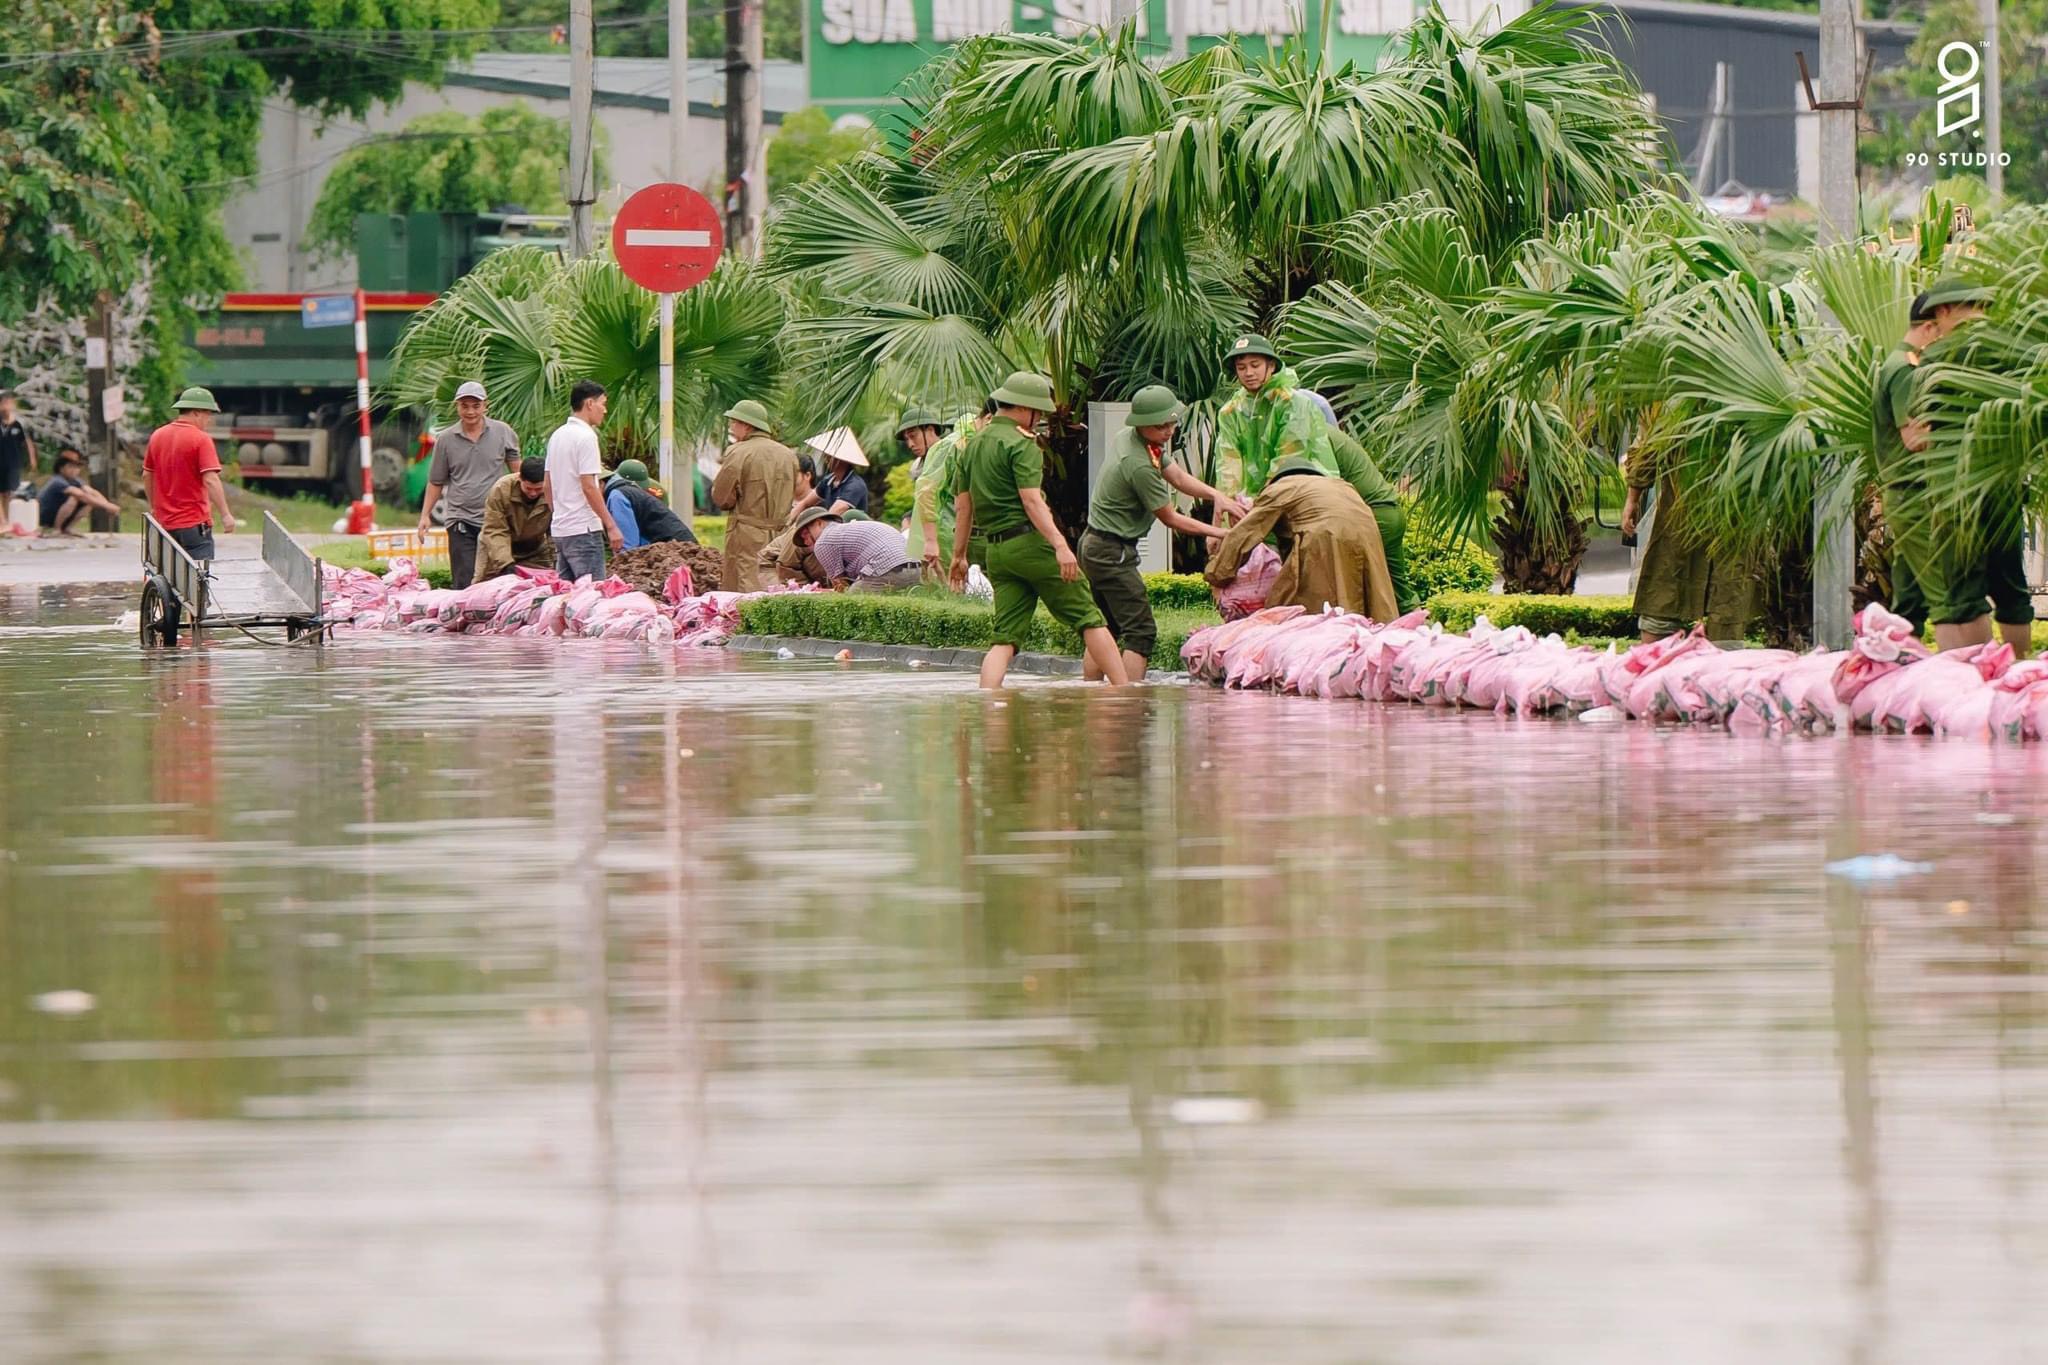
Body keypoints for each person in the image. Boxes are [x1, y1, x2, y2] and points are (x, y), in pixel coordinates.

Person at [1875, 278, 2029, 655]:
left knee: (1922, 600)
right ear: (1939, 316)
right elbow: (1917, 438)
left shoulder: (1940, 365)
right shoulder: (1910, 368)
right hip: (1923, 497)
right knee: (1954, 597)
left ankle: (1928, 684)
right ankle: (1969, 684)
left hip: (1945, 494)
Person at [947, 371, 1130, 689]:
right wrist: (1060, 545)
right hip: (1030, 544)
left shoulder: (973, 446)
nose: (1040, 419)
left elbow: (963, 507)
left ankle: (988, 705)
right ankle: (1125, 692)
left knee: (1004, 639)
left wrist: (959, 556)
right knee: (1090, 617)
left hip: (998, 553)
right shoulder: (1021, 444)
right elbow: (1031, 500)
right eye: (1038, 412)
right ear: (1023, 408)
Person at [1080, 386, 1225, 681]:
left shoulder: (1135, 440)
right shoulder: (1139, 465)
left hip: (1094, 544)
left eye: (1172, 423)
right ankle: (1130, 706)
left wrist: (1217, 496)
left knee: (1104, 627)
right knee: (1141, 633)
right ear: (1141, 423)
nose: (1168, 430)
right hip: (1111, 551)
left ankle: (1092, 701)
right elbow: (1170, 518)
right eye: (1161, 425)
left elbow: (1178, 476)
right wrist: (1222, 533)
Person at [1206, 457, 1398, 619]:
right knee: (1371, 609)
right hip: (1368, 533)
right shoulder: (1341, 485)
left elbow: (1245, 534)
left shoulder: (1281, 487)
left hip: (1326, 535)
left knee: (1315, 615)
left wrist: (1217, 572)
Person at [1620, 437, 1759, 643]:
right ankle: (1655, 668)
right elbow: (1648, 446)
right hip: (1681, 517)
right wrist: (1632, 497)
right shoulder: (1672, 407)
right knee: (1662, 597)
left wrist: (1633, 498)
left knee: (1727, 605)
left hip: (1732, 519)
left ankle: (1721, 669)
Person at [1213, 333, 1337, 512]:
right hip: (1253, 504)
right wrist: (1231, 505)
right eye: (1241, 368)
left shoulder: (1293, 403)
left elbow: (1291, 455)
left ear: (1271, 366)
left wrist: (1263, 502)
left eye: (1255, 365)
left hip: (1304, 496)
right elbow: (1228, 463)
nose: (1248, 373)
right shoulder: (1231, 411)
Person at [418, 380, 520, 589]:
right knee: (465, 582)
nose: (470, 411)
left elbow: (517, 473)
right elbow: (436, 481)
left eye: (476, 406)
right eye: (465, 406)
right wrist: (425, 515)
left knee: (500, 580)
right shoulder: (446, 439)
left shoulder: (503, 432)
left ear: (485, 406)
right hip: (460, 518)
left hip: (496, 520)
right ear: (457, 407)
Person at [1326, 425, 1417, 612]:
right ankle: (1424, 635)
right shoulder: (1327, 432)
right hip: (1389, 510)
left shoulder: (1314, 439)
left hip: (1371, 517)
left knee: (1359, 600)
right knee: (1400, 594)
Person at [711, 398, 798, 592]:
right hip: (780, 533)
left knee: (745, 587)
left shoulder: (738, 452)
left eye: (734, 422)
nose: (732, 427)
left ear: (746, 425)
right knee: (776, 583)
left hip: (747, 534)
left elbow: (721, 498)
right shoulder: (788, 455)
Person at [144, 387, 235, 560]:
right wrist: (225, 514)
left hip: (165, 525)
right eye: (208, 414)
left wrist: (154, 507)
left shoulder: (157, 435)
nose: (209, 420)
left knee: (170, 577)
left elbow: (147, 475)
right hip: (193, 525)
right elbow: (210, 480)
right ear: (197, 412)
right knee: (198, 579)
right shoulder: (201, 439)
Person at [545, 379, 623, 582]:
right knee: (591, 598)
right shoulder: (586, 437)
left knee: (566, 597)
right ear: (589, 404)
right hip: (584, 530)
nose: (604, 410)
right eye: (603, 404)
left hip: (562, 530)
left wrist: (560, 515)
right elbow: (589, 486)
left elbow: (547, 484)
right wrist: (611, 525)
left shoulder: (557, 436)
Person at [792, 506, 924, 592]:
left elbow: (840, 586)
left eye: (805, 534)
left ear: (819, 523)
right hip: (914, 568)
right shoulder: (848, 529)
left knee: (851, 600)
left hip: (887, 569)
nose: (806, 541)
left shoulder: (824, 541)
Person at [898, 407, 956, 579]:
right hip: (925, 534)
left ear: (930, 429)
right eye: (906, 439)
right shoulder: (917, 466)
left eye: (913, 436)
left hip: (950, 530)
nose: (910, 444)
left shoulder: (949, 453)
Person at [476, 457, 556, 580]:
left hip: (535, 548)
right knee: (484, 589)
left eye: (538, 489)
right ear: (520, 479)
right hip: (496, 547)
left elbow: (555, 529)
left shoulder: (553, 490)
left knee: (544, 584)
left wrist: (557, 559)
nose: (533, 493)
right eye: (529, 488)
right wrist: (506, 564)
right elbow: (495, 530)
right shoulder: (501, 490)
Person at [604, 459, 697, 549]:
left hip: (673, 547)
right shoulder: (623, 493)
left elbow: (628, 546)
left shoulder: (617, 496)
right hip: (678, 545)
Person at [38, 448, 119, 535]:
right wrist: (106, 506)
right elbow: (80, 495)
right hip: (45, 516)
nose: (74, 470)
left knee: (89, 501)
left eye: (76, 467)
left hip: (60, 514)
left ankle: (68, 528)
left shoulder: (76, 480)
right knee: (74, 499)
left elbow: (92, 492)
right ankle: (56, 529)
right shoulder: (57, 481)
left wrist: (107, 504)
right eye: (70, 467)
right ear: (61, 468)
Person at [795, 428, 871, 516]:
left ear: (841, 459)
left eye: (829, 456)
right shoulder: (828, 481)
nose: (826, 458)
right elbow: (805, 503)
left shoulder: (855, 485)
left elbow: (832, 514)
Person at [0, 391, 36, 495]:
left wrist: (32, 459)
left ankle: (6, 511)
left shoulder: (19, 424)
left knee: (10, 492)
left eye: (10, 403)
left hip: (13, 464)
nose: (7, 406)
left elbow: (27, 442)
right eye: (4, 403)